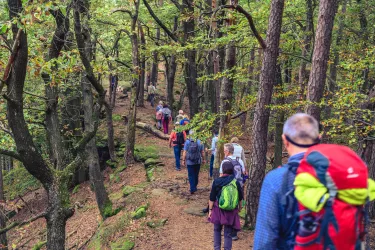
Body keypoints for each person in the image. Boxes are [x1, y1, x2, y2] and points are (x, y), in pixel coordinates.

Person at [253, 113, 320, 249]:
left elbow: (264, 242)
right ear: (319, 139)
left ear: (285, 140)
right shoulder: (343, 177)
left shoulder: (276, 180)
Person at [208, 161, 243, 250]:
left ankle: (217, 248)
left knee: (217, 230)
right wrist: (239, 207)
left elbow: (212, 197)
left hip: (217, 209)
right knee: (228, 233)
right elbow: (240, 197)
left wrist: (210, 210)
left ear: (223, 170)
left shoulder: (217, 181)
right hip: (230, 211)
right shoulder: (235, 182)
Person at [219, 143, 247, 240]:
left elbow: (221, 175)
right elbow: (244, 173)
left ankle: (227, 230)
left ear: (227, 151)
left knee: (226, 207)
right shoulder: (240, 160)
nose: (223, 152)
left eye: (224, 150)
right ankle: (234, 232)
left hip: (227, 188)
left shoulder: (224, 162)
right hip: (238, 187)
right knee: (235, 209)